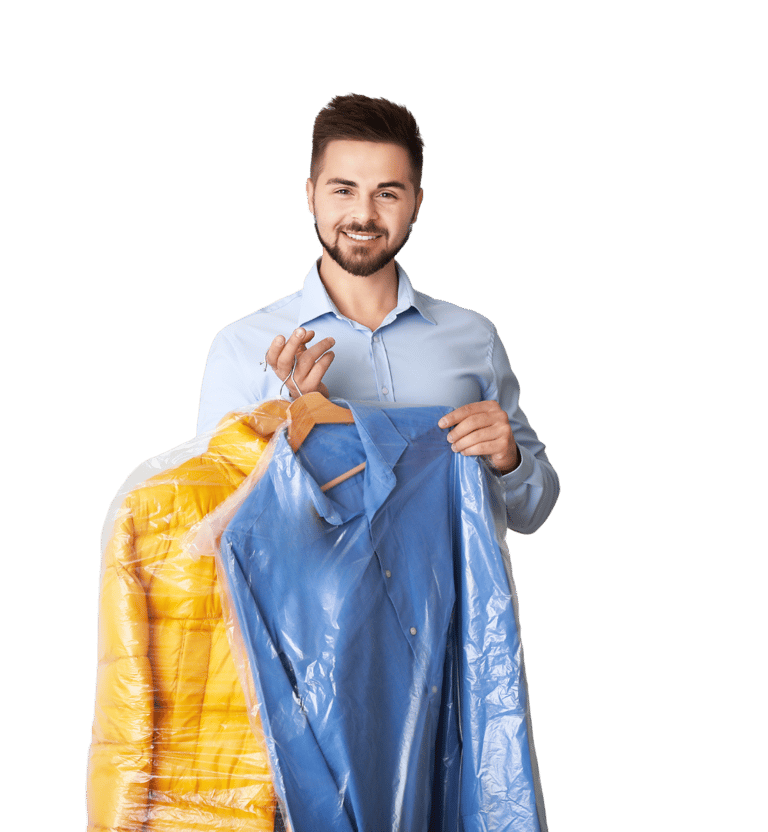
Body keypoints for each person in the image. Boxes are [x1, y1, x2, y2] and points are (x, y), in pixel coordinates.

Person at [197, 93, 559, 533]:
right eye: (343, 190)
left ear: (417, 205)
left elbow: (534, 513)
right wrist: (295, 422)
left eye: (386, 193)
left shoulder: (474, 337)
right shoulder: (241, 346)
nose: (364, 215)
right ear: (310, 196)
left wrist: (509, 460)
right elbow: (207, 525)